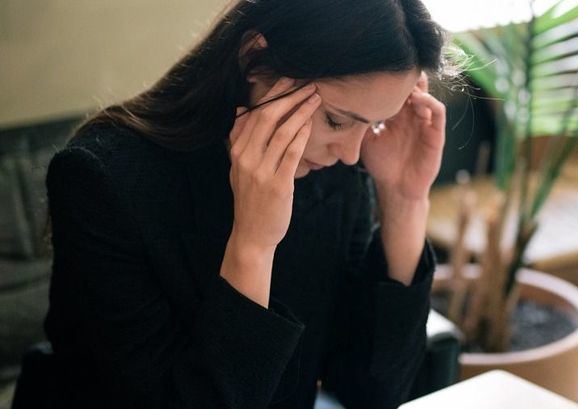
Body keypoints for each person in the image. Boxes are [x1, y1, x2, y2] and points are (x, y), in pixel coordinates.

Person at [43, 0, 449, 408]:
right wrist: (253, 245)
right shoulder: (100, 180)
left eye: (373, 124)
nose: (349, 153)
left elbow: (371, 392)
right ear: (255, 59)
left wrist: (404, 201)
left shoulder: (335, 175)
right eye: (337, 121)